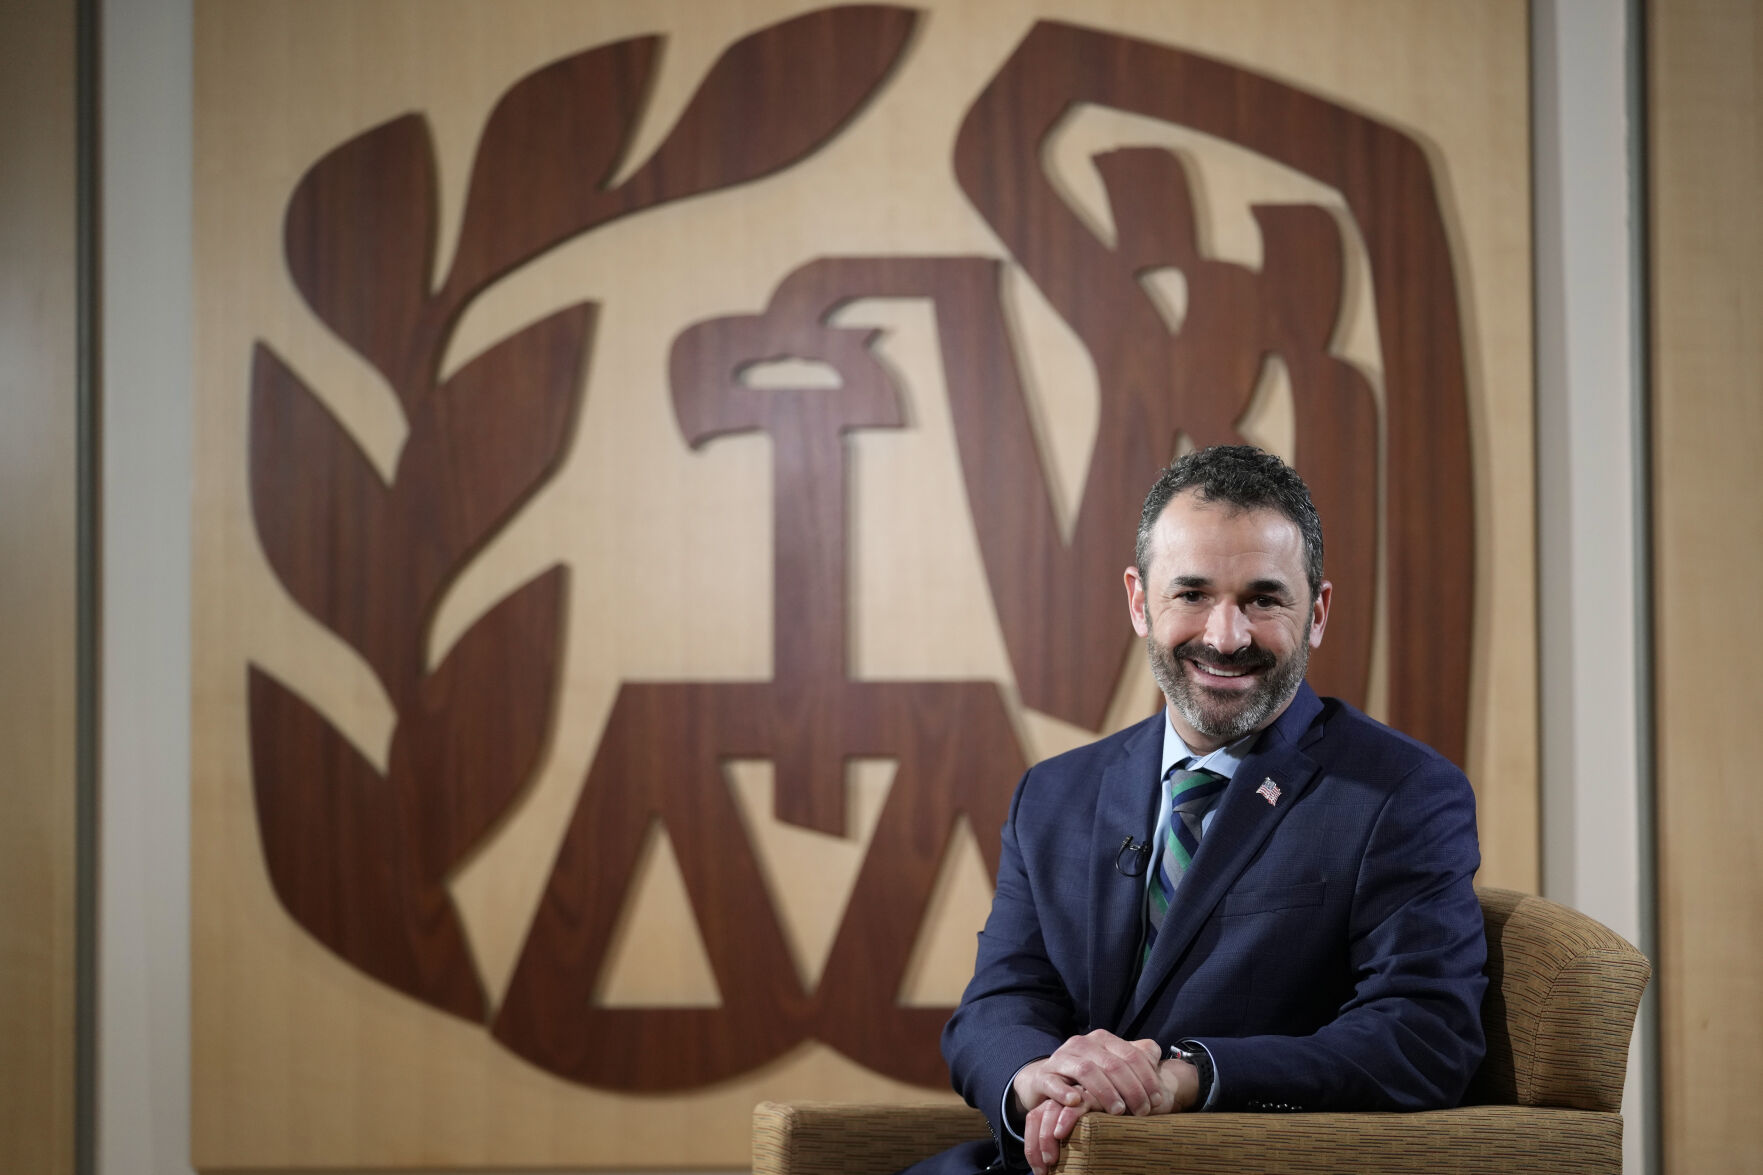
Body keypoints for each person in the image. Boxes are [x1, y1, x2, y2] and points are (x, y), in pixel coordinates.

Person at [912, 445, 1486, 1175]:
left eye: (1261, 598)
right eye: (1191, 593)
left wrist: (1187, 1076)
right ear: (1136, 601)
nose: (1225, 636)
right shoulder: (1052, 794)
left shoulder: (1402, 793)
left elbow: (1424, 1035)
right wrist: (1038, 1078)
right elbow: (1000, 999)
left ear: (1315, 612)